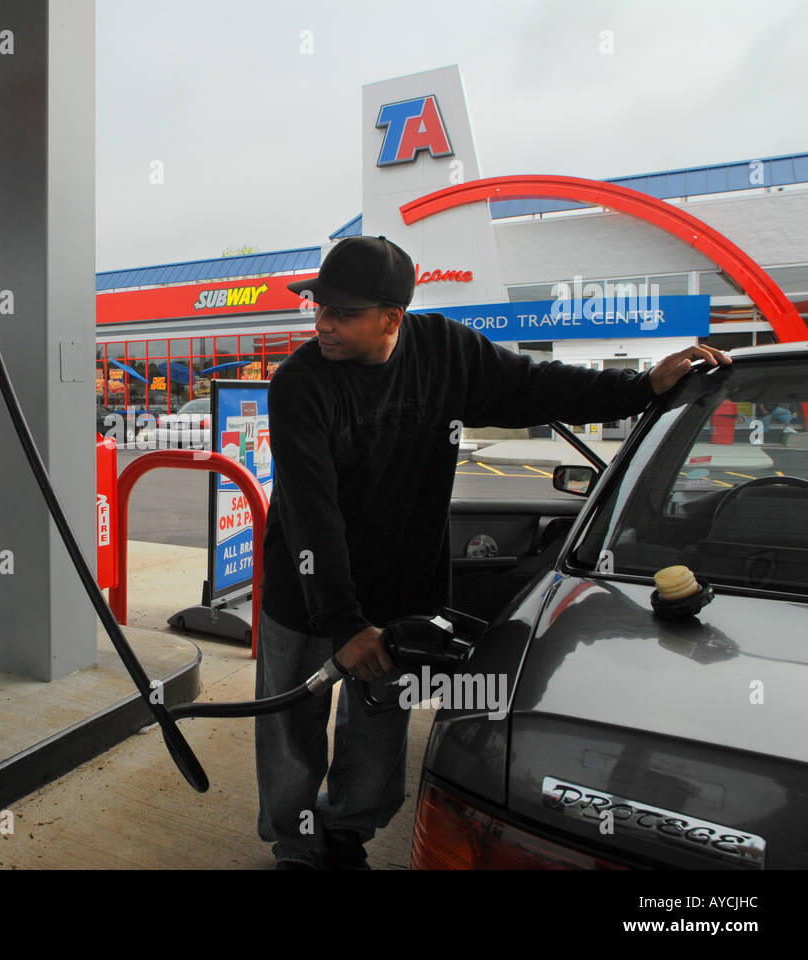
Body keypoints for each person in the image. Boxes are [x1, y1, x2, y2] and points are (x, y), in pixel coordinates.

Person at [256, 235, 731, 869]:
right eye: (318, 308)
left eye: (341, 313)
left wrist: (641, 386)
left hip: (400, 588)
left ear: (392, 317)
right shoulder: (300, 384)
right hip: (307, 588)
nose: (323, 324)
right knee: (292, 726)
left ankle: (345, 835)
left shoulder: (447, 352)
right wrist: (342, 622)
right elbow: (314, 515)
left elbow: (539, 386)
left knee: (379, 726)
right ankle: (294, 843)